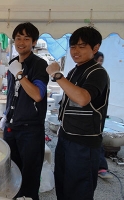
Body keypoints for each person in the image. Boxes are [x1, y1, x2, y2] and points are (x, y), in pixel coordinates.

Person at [46, 27, 110, 199]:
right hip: (66, 138)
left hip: (84, 144)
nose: (75, 51)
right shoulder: (75, 71)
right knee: (63, 184)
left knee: (79, 190)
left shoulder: (98, 72)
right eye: (73, 46)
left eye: (82, 46)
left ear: (95, 48)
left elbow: (82, 99)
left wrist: (57, 75)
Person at [0, 22, 49, 200]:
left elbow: (37, 95)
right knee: (11, 171)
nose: (21, 42)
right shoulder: (13, 63)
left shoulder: (39, 65)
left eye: (26, 38)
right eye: (18, 38)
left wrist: (20, 75)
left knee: (29, 175)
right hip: (12, 127)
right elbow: (12, 93)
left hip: (30, 130)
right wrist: (7, 114)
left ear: (34, 42)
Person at [94, 51, 113, 179]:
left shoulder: (101, 74)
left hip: (97, 115)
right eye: (98, 60)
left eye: (101, 61)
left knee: (97, 140)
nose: (100, 63)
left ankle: (101, 167)